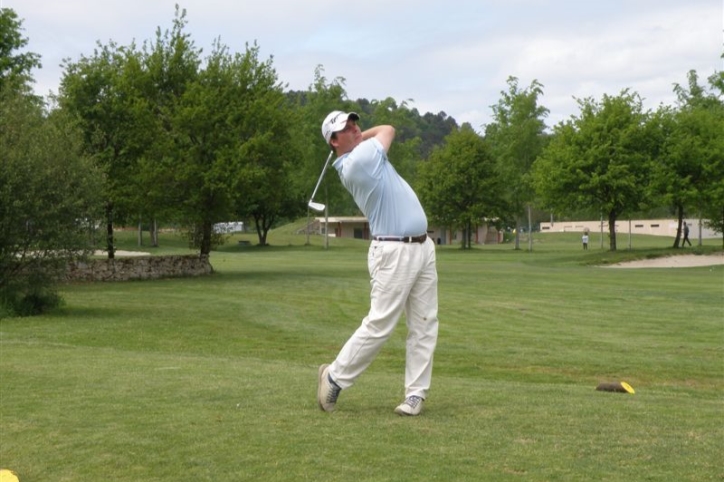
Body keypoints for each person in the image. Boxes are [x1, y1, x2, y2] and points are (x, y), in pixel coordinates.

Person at [316, 110, 439, 416]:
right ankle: (335, 376)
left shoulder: (360, 154)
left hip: (422, 246)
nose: (356, 128)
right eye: (347, 128)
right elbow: (388, 129)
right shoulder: (359, 161)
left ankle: (415, 395)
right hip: (393, 251)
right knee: (380, 324)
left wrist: (357, 138)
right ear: (333, 141)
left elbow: (383, 131)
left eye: (355, 123)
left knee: (424, 324)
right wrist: (364, 138)